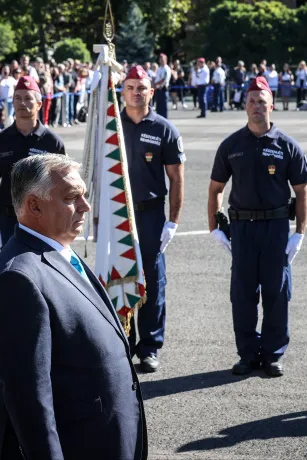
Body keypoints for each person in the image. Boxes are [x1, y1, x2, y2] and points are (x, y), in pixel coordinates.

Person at [0, 154, 147, 460]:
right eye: (72, 198)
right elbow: (29, 402)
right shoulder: (19, 278)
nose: (85, 206)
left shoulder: (58, 249)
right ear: (34, 206)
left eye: (84, 195)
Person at [207, 76, 307, 378]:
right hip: (242, 229)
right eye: (252, 101)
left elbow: (302, 190)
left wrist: (299, 233)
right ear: (245, 105)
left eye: (262, 101)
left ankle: (274, 354)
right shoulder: (231, 145)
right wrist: (214, 225)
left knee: (276, 294)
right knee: (242, 294)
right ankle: (248, 354)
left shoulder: (287, 146)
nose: (256, 106)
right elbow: (215, 188)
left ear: (271, 105)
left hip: (276, 228)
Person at [120, 65, 185, 373]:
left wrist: (172, 221)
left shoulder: (164, 129)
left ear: (151, 91)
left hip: (150, 215)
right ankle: (122, 344)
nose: (136, 91)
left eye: (141, 87)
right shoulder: (111, 127)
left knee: (152, 283)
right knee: (117, 278)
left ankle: (149, 347)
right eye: (130, 86)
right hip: (117, 213)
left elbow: (176, 177)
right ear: (122, 90)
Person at [0, 75, 65, 252]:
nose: (22, 103)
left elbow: (62, 188)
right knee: (10, 275)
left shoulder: (53, 142)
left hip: (43, 221)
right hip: (8, 220)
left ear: (39, 104)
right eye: (17, 98)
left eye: (28, 98)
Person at [154, 53, 171, 118]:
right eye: (160, 59)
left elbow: (164, 80)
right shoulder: (159, 68)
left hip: (163, 89)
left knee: (163, 107)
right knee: (158, 107)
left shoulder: (166, 69)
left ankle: (164, 121)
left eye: (163, 59)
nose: (161, 61)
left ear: (166, 60)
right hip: (158, 89)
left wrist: (156, 84)